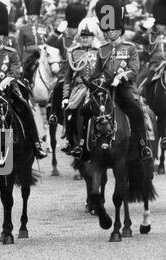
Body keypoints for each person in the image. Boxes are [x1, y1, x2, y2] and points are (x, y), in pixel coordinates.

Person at [0, 0, 47, 161]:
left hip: (9, 91)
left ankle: (36, 144)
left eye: (1, 34)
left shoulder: (11, 53)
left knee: (25, 109)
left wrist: (2, 85)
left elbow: (15, 73)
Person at [91, 0, 152, 161]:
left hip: (124, 88)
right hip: (105, 89)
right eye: (107, 29)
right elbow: (97, 72)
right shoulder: (102, 50)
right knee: (85, 110)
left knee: (136, 111)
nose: (109, 32)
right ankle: (83, 146)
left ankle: (143, 145)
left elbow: (134, 69)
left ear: (119, 29)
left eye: (113, 29)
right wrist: (94, 80)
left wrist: (121, 77)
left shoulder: (130, 47)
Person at [62, 18, 99, 159]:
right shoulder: (73, 53)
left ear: (92, 38)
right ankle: (71, 142)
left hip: (96, 87)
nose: (85, 39)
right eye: (83, 37)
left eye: (87, 37)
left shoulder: (99, 52)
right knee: (70, 112)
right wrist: (65, 97)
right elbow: (67, 77)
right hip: (79, 89)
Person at [46, 1, 87, 127]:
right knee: (57, 89)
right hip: (65, 74)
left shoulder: (85, 39)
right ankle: (54, 114)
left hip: (83, 74)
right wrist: (57, 32)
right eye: (71, 28)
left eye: (75, 28)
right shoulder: (63, 40)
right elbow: (48, 44)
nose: (73, 31)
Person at [133, 0, 166, 148]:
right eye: (159, 24)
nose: (161, 27)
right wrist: (143, 27)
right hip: (154, 67)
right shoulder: (151, 35)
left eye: (162, 24)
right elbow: (136, 39)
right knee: (142, 83)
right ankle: (144, 105)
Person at [17, 0, 46, 82]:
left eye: (35, 14)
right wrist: (19, 63)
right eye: (31, 14)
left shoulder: (43, 27)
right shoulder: (23, 29)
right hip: (29, 57)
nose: (33, 16)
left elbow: (47, 42)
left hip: (42, 55)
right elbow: (19, 47)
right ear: (28, 15)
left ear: (37, 15)